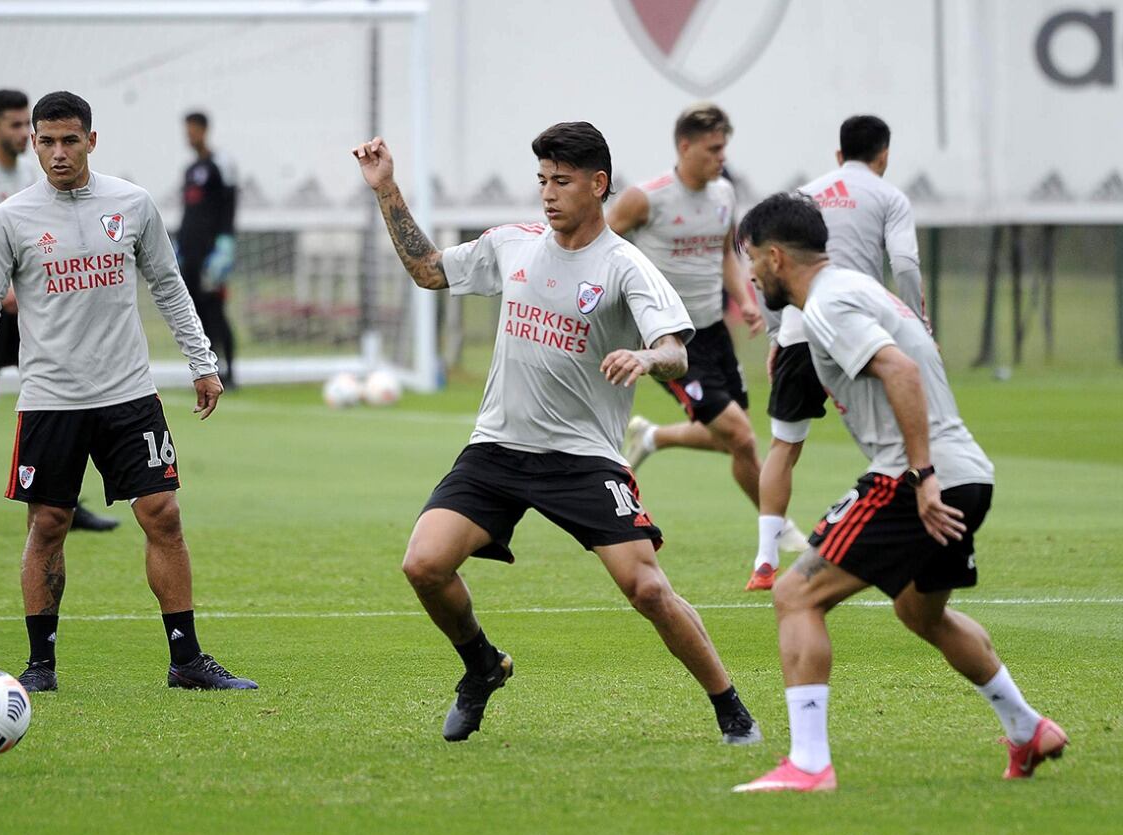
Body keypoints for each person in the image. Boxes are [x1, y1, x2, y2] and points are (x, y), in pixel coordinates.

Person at [352, 122, 761, 745]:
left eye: (561, 181)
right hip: (498, 447)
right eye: (542, 179)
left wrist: (646, 360)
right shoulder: (512, 244)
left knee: (648, 589)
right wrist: (387, 189)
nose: (547, 193)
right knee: (424, 564)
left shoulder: (626, 266)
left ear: (598, 186)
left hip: (582, 460)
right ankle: (482, 667)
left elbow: (676, 350)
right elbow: (429, 271)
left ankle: (731, 709)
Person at [731, 192, 1066, 793]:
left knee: (796, 596)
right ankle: (1027, 727)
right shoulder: (855, 290)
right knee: (919, 611)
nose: (751, 276)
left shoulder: (829, 301)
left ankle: (809, 765)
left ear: (776, 257)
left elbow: (902, 372)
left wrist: (920, 475)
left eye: (752, 260)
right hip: (969, 474)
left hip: (919, 480)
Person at [0, 91, 256, 693]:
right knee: (49, 524)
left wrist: (203, 361)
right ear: (32, 143)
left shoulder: (132, 204)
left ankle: (187, 661)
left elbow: (169, 286)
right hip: (49, 399)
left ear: (92, 140)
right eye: (46, 142)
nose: (58, 153)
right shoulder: (10, 218)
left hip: (127, 394)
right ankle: (40, 667)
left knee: (163, 515)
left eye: (70, 140)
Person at [609, 104, 810, 576]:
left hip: (714, 332)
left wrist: (744, 298)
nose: (722, 157)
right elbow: (604, 244)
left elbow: (725, 256)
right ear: (685, 147)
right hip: (670, 340)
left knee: (731, 440)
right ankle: (777, 526)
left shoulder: (723, 194)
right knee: (740, 434)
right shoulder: (647, 198)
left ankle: (652, 436)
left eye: (725, 147)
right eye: (713, 148)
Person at [750, 115, 931, 591]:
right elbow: (907, 263)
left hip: (796, 327)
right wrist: (914, 320)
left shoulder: (805, 195)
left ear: (838, 155)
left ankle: (765, 558)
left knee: (784, 447)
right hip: (859, 329)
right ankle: (915, 519)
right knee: (894, 440)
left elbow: (766, 265)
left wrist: (775, 334)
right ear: (884, 156)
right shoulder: (889, 195)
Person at [0, 89, 118, 536]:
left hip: (29, 310)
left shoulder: (26, 174)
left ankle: (64, 501)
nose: (23, 134)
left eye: (24, 125)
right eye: (15, 125)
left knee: (67, 392)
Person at [177, 111, 238, 388]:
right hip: (191, 251)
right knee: (196, 313)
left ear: (204, 130)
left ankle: (231, 370)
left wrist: (225, 243)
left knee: (216, 310)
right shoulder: (190, 171)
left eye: (192, 130)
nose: (189, 135)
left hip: (212, 253)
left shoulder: (220, 164)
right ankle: (207, 370)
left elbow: (229, 204)